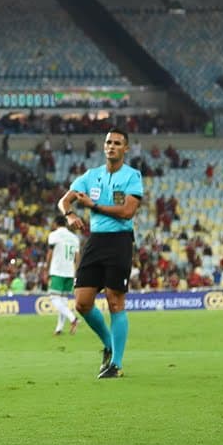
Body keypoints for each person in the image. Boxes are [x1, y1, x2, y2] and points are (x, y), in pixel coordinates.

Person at [57, 128, 143, 379]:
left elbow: (127, 212)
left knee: (115, 301)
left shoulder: (132, 176)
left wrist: (93, 206)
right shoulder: (90, 176)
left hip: (119, 241)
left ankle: (115, 364)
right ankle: (109, 344)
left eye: (117, 143)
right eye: (108, 142)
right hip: (96, 241)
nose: (111, 146)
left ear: (125, 149)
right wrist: (70, 214)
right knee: (82, 302)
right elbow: (64, 200)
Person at [44, 215, 80, 336]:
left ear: (55, 223)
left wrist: (46, 268)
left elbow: (50, 253)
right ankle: (59, 328)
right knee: (63, 301)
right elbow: (77, 257)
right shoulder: (74, 238)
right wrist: (76, 272)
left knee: (54, 298)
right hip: (69, 272)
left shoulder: (53, 235)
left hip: (58, 270)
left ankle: (73, 319)